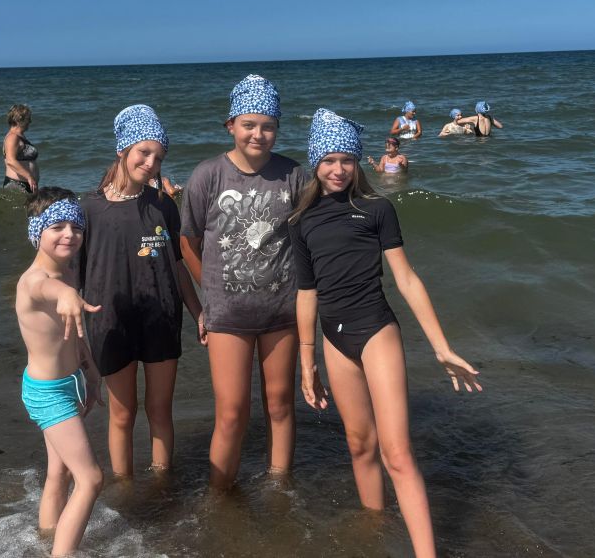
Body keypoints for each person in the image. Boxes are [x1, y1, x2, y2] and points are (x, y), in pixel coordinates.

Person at [289, 109, 481, 558]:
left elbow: (407, 279)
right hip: (333, 338)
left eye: (347, 160)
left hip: (376, 329)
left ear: (358, 162)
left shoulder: (377, 209)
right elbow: (306, 293)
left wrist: (442, 348)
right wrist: (307, 362)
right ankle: (375, 534)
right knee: (360, 445)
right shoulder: (301, 221)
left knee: (396, 453)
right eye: (329, 160)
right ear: (316, 162)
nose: (338, 169)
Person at [180, 74, 308, 489]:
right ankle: (220, 496)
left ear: (277, 129)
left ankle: (279, 490)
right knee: (232, 413)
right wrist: (210, 294)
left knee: (280, 405)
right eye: (249, 124)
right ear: (230, 126)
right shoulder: (207, 175)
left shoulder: (294, 175)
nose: (258, 134)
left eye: (268, 126)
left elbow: (312, 237)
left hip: (282, 312)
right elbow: (187, 242)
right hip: (228, 316)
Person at [79, 104, 205, 477]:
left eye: (159, 157)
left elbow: (178, 266)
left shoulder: (163, 205)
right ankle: (125, 489)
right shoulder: (88, 209)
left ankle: (162, 484)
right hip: (110, 323)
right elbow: (73, 277)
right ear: (123, 149)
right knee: (122, 414)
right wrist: (73, 334)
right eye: (144, 152)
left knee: (160, 409)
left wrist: (200, 312)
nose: (151, 163)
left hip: (161, 318)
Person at [15, 187, 104, 556]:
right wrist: (67, 296)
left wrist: (92, 373)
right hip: (48, 394)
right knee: (91, 478)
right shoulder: (34, 281)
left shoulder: (66, 273)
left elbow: (74, 335)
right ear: (37, 231)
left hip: (69, 384)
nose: (70, 234)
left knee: (60, 472)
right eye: (57, 227)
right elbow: (47, 290)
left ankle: (47, 540)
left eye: (76, 227)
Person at [4, 104, 40, 193]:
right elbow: (10, 161)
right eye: (28, 118)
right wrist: (29, 176)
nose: (30, 121)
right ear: (19, 120)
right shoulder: (12, 137)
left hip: (26, 184)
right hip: (16, 185)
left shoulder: (20, 136)